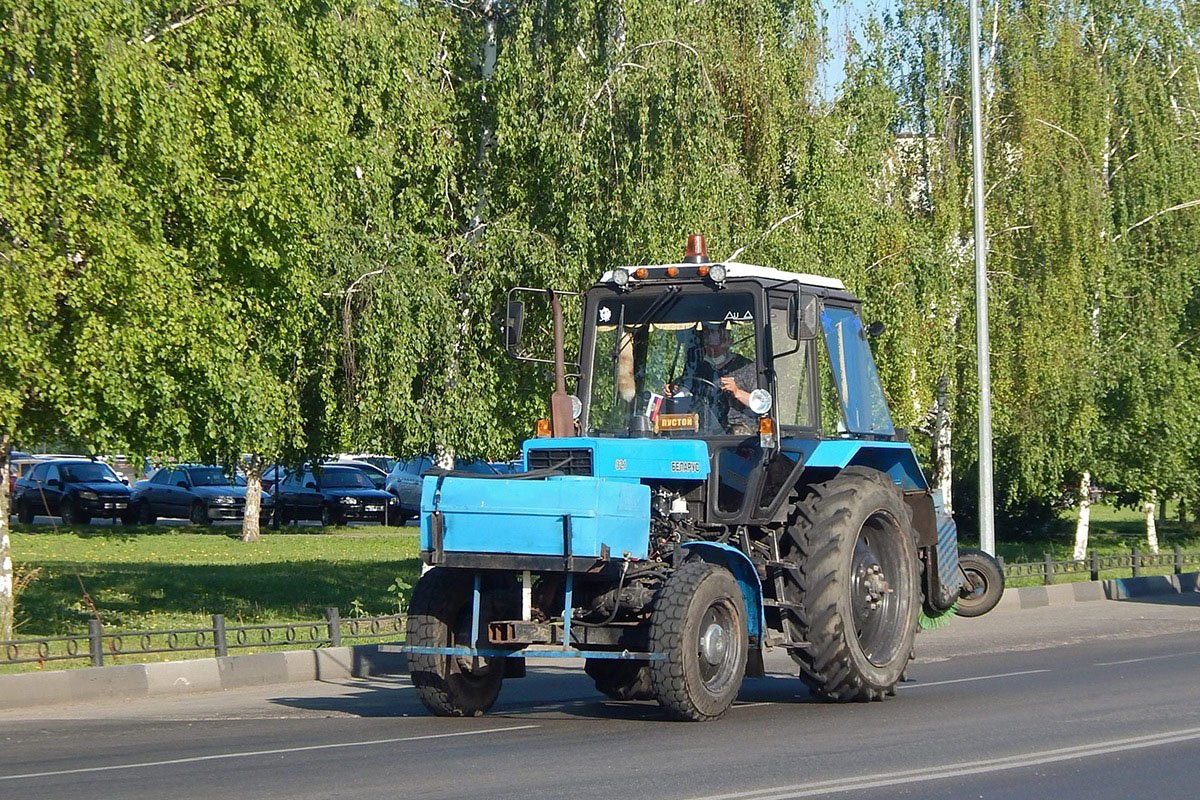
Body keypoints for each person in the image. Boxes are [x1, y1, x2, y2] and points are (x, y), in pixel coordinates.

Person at [667, 325, 757, 434]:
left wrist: (737, 392)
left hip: (739, 433)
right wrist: (672, 389)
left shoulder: (746, 367)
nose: (711, 350)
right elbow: (684, 385)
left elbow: (761, 403)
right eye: (708, 345)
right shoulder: (699, 368)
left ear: (728, 342)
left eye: (716, 345)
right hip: (703, 430)